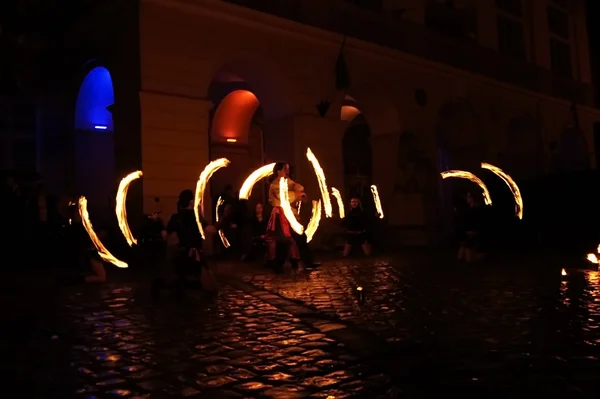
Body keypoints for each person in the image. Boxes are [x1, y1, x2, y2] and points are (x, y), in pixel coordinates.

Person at [151, 189, 217, 299]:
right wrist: (223, 219)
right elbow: (211, 230)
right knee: (212, 289)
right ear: (191, 202)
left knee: (180, 283)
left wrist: (158, 222)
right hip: (195, 257)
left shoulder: (175, 217)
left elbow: (165, 236)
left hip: (181, 256)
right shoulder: (196, 217)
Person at [265, 162, 303, 273]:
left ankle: (294, 260)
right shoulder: (275, 185)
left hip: (288, 214)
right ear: (278, 171)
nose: (287, 172)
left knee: (292, 238)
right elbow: (284, 198)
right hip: (279, 215)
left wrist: (297, 191)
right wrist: (296, 195)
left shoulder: (287, 182)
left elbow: (299, 187)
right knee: (283, 239)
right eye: (284, 169)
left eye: (287, 169)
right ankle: (277, 263)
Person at [59, 202, 107, 284]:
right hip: (87, 255)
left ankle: (78, 279)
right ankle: (77, 280)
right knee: (102, 277)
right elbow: (81, 242)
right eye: (76, 212)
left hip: (88, 254)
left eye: (79, 211)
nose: (78, 214)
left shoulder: (84, 226)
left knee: (102, 276)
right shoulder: (75, 228)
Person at [457, 191, 488, 263]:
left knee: (469, 259)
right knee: (460, 257)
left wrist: (474, 232)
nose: (467, 198)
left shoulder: (479, 209)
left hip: (474, 234)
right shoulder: (470, 208)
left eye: (469, 196)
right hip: (467, 234)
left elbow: (480, 223)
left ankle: (483, 255)